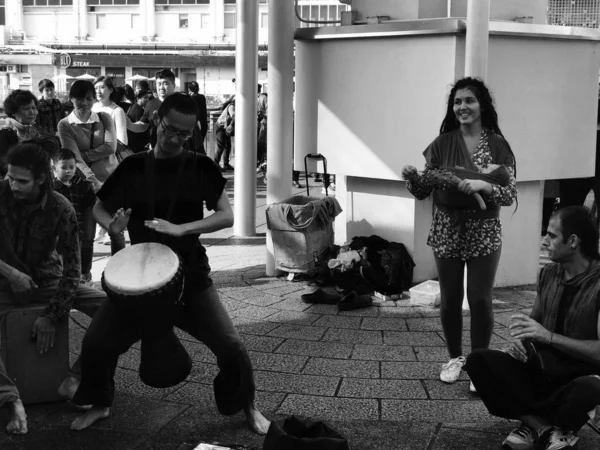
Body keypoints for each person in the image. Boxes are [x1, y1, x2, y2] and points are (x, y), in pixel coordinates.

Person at [65, 93, 270, 435]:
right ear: (158, 120)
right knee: (97, 344)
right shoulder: (132, 166)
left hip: (190, 274)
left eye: (185, 134)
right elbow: (101, 207)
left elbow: (226, 215)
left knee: (231, 345)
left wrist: (183, 228)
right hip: (138, 275)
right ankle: (100, 403)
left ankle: (247, 406)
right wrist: (111, 227)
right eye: (171, 130)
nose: (176, 139)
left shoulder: (200, 165)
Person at [402, 77, 517, 391]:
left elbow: (508, 192)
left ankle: (480, 365)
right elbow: (423, 190)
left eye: (469, 101)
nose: (463, 107)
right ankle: (454, 357)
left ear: (482, 106)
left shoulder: (497, 144)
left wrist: (483, 184)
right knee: (451, 299)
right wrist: (413, 179)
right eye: (457, 102)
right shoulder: (441, 144)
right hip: (447, 228)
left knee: (479, 299)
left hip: (484, 229)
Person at [466, 206, 600, 450]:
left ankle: (545, 424)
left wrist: (548, 337)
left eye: (551, 235)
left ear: (572, 241)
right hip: (540, 372)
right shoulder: (548, 273)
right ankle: (542, 428)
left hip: (576, 379)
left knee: (591, 388)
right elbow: (533, 325)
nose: (544, 242)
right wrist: (522, 343)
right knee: (477, 360)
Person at [0, 141, 106, 435]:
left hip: (49, 282)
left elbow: (73, 271)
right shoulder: (0, 192)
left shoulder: (61, 207)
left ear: (42, 180)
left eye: (21, 181)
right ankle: (9, 399)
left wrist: (53, 315)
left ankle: (77, 380)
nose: (13, 185)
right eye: (10, 177)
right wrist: (10, 273)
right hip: (3, 283)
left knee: (114, 309)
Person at [57, 80, 124, 253]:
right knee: (86, 236)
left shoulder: (104, 118)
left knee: (116, 231)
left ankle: (119, 272)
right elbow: (73, 157)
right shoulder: (65, 125)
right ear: (71, 98)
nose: (84, 103)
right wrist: (93, 181)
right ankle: (85, 275)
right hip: (84, 185)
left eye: (89, 98)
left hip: (111, 182)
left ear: (94, 100)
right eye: (79, 98)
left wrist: (83, 155)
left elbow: (111, 147)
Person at [51, 148, 97, 286]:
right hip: (62, 229)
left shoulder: (81, 185)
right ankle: (63, 277)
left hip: (81, 226)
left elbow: (89, 205)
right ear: (54, 168)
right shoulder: (52, 187)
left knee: (85, 247)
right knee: (63, 252)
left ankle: (85, 275)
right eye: (64, 167)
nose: (68, 171)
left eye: (71, 167)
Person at [0, 90, 42, 178]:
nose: (32, 112)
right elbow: (5, 166)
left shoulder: (35, 131)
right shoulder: (5, 134)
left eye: (34, 108)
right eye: (26, 108)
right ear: (13, 112)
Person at [92, 76, 128, 148]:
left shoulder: (117, 111)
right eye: (95, 88)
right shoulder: (91, 108)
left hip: (109, 154)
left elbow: (122, 139)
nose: (98, 91)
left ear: (111, 90)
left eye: (102, 87)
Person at [188, 81, 208, 155]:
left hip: (195, 124)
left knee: (194, 146)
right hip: (204, 123)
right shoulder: (202, 97)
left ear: (189, 89)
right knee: (200, 144)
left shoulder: (191, 98)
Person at [214, 100, 235, 171]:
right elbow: (233, 116)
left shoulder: (233, 106)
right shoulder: (232, 106)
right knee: (221, 146)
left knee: (227, 146)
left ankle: (226, 164)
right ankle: (216, 164)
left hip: (224, 127)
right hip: (220, 126)